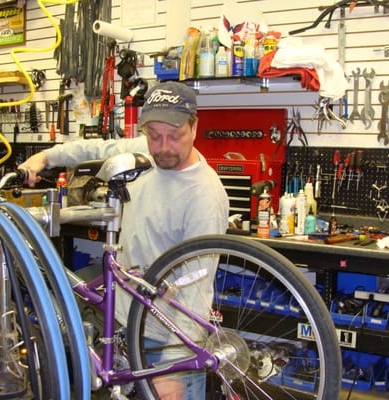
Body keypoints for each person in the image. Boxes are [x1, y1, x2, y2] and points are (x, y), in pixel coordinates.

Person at [18, 81, 230, 399]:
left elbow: (195, 288)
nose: (162, 147)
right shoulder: (145, 155)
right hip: (124, 320)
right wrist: (45, 158)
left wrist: (174, 367)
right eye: (154, 136)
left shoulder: (204, 195)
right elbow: (96, 149)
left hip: (167, 339)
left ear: (194, 126)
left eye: (174, 136)